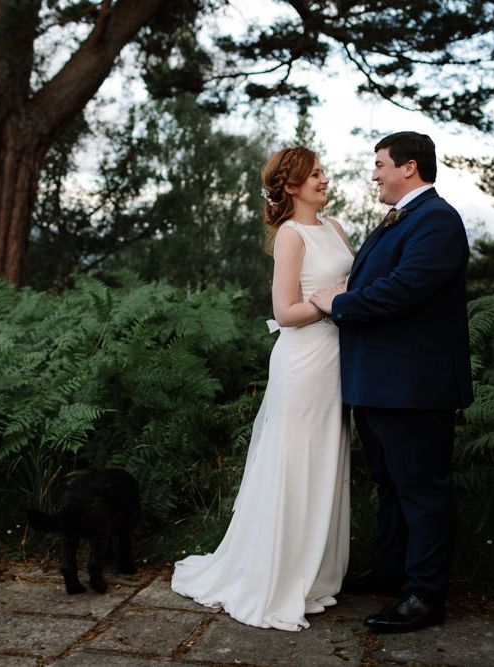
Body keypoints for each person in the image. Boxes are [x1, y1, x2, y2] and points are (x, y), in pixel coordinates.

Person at [171, 146, 354, 631]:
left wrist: (344, 299)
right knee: (294, 462)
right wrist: (332, 303)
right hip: (304, 362)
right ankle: (277, 575)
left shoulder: (334, 228)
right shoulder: (291, 236)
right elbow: (286, 311)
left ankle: (314, 575)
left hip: (337, 362)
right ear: (291, 187)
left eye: (322, 170)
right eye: (314, 174)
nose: (324, 179)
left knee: (325, 461)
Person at [310, 131, 473, 634]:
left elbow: (404, 290)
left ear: (408, 167)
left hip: (414, 385)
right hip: (380, 382)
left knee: (421, 490)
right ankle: (391, 570)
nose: (374, 173)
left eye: (380, 164)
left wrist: (337, 304)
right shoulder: (400, 218)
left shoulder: (438, 220)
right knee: (390, 485)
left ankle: (425, 594)